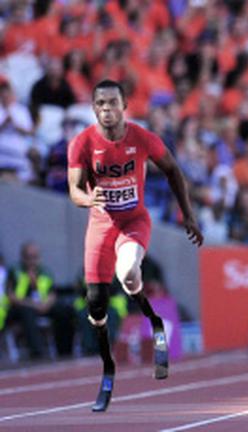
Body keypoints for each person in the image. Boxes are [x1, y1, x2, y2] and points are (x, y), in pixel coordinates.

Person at [67, 80, 203, 411]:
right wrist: (88, 198)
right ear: (94, 108)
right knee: (96, 305)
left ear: (125, 105)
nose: (106, 109)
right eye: (100, 103)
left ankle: (152, 318)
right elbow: (73, 189)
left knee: (128, 271)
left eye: (113, 102)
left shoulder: (141, 138)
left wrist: (187, 214)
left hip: (133, 221)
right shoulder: (82, 143)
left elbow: (172, 170)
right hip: (101, 225)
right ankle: (108, 367)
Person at [4, 242, 75, 360]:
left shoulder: (45, 271)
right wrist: (33, 304)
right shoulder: (15, 271)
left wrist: (46, 304)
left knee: (64, 309)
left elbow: (52, 293)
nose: (32, 261)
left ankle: (64, 351)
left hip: (43, 305)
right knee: (27, 312)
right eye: (28, 257)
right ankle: (38, 354)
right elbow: (11, 296)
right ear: (23, 257)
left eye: (35, 257)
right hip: (22, 307)